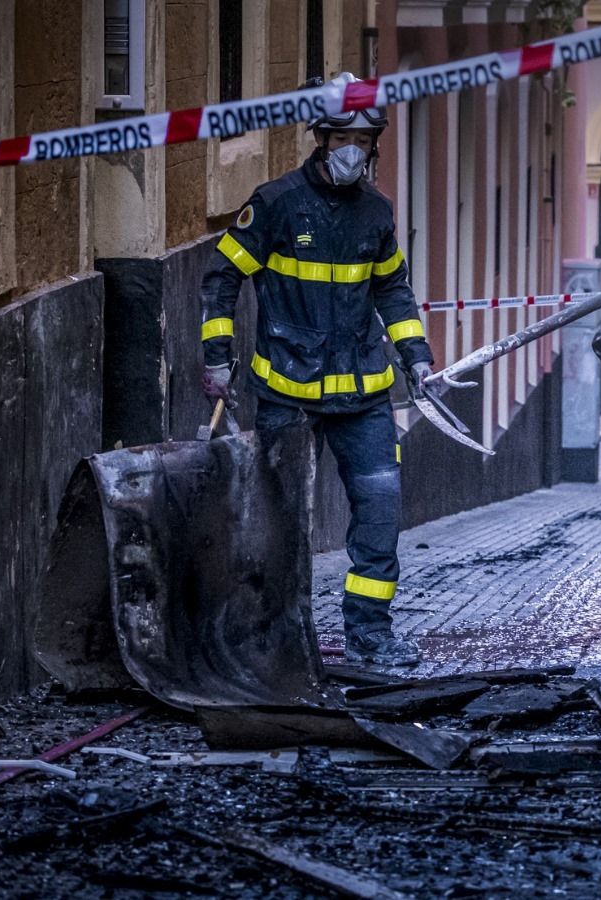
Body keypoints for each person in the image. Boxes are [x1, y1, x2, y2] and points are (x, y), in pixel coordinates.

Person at [198, 74, 434, 667]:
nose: (354, 150)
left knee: (380, 517)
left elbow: (394, 293)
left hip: (364, 397)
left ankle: (371, 635)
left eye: (364, 139)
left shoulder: (377, 215)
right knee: (280, 523)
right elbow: (222, 279)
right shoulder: (276, 205)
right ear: (321, 138)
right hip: (286, 394)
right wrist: (216, 358)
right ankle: (280, 638)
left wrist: (418, 357)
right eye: (343, 138)